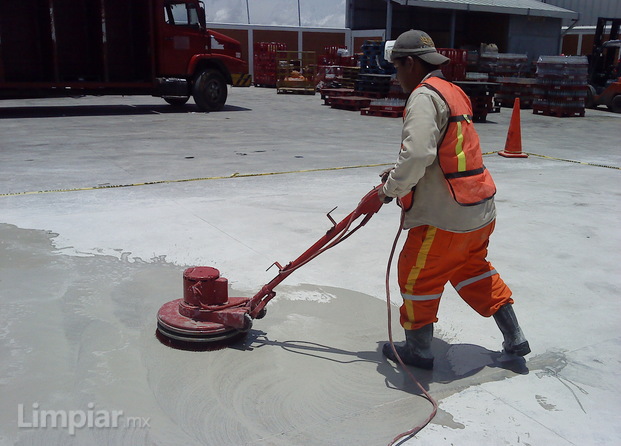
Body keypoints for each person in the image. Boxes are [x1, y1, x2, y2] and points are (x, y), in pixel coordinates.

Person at [377, 30, 530, 369]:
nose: (396, 75)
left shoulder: (423, 96)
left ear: (411, 63)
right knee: (472, 269)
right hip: (480, 210)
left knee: (417, 276)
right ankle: (515, 337)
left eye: (397, 67)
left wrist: (391, 189)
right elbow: (446, 151)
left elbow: (417, 154)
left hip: (445, 218)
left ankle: (418, 350)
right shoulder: (452, 91)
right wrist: (398, 175)